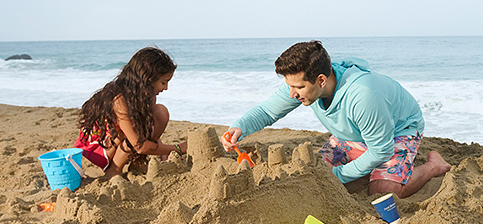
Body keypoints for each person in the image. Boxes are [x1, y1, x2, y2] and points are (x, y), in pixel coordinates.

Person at [221, 41, 451, 198]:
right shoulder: (302, 83)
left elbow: (381, 150)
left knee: (382, 191)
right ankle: (361, 161)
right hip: (351, 135)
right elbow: (268, 112)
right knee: (312, 175)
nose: (292, 94)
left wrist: (338, 176)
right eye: (289, 86)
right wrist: (239, 127)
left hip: (397, 131)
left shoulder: (362, 95)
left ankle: (433, 166)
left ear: (321, 80)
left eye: (298, 87)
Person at [75, 47, 187, 178]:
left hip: (117, 138)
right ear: (148, 79)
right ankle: (114, 170)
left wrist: (164, 154)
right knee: (135, 135)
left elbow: (149, 127)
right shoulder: (119, 100)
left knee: (159, 112)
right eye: (163, 82)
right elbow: (139, 145)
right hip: (98, 146)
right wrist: (178, 148)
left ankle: (137, 163)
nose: (166, 88)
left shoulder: (147, 96)